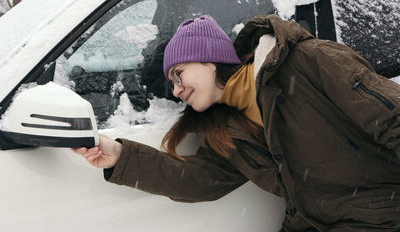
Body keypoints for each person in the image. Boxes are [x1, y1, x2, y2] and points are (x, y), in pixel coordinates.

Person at [74, 15, 400, 231]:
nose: (176, 90)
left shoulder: (310, 62)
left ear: (209, 59)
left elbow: (393, 120)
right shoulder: (228, 126)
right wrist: (119, 155)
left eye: (178, 73)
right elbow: (200, 180)